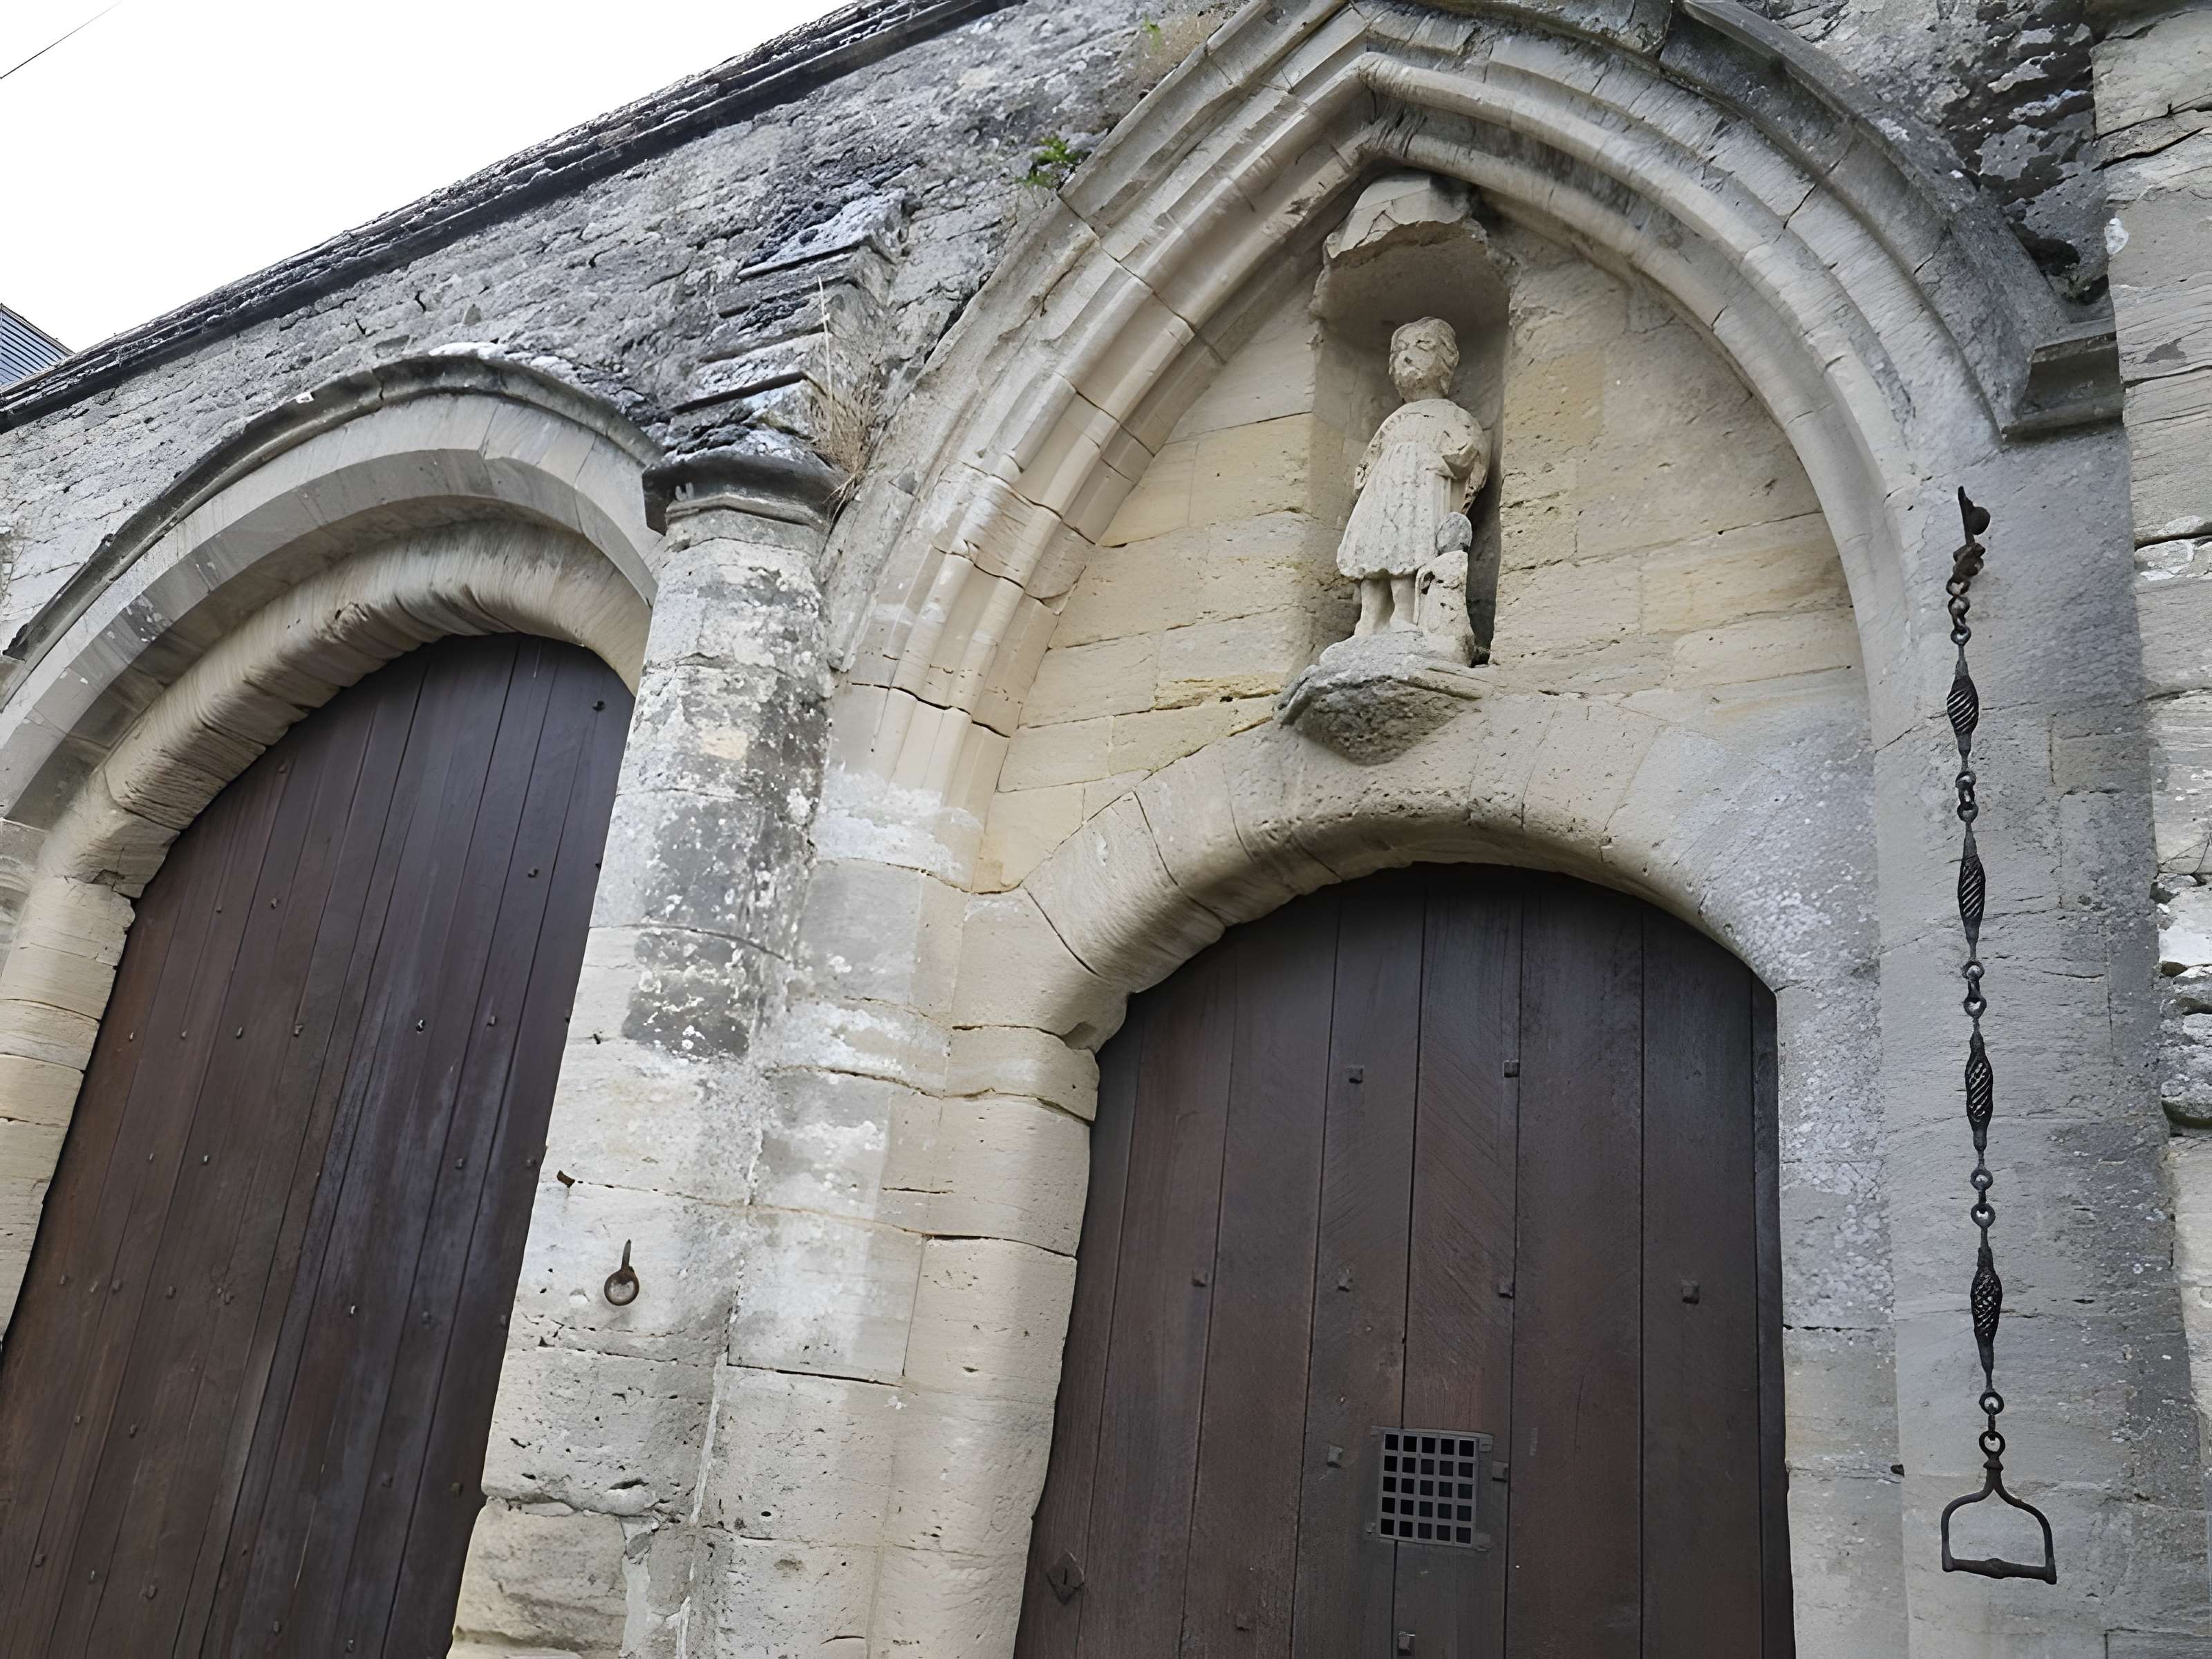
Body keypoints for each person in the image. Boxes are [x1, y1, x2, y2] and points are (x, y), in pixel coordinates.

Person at [1337, 317, 1488, 636]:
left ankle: (1405, 617)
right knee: (1373, 559)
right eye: (1399, 350)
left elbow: (1469, 459)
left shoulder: (1453, 415)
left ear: (1446, 360)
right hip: (1383, 500)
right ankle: (1368, 621)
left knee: (1406, 555)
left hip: (1419, 501)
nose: (1406, 356)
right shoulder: (1393, 422)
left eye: (1421, 347)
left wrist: (1429, 462)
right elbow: (1367, 466)